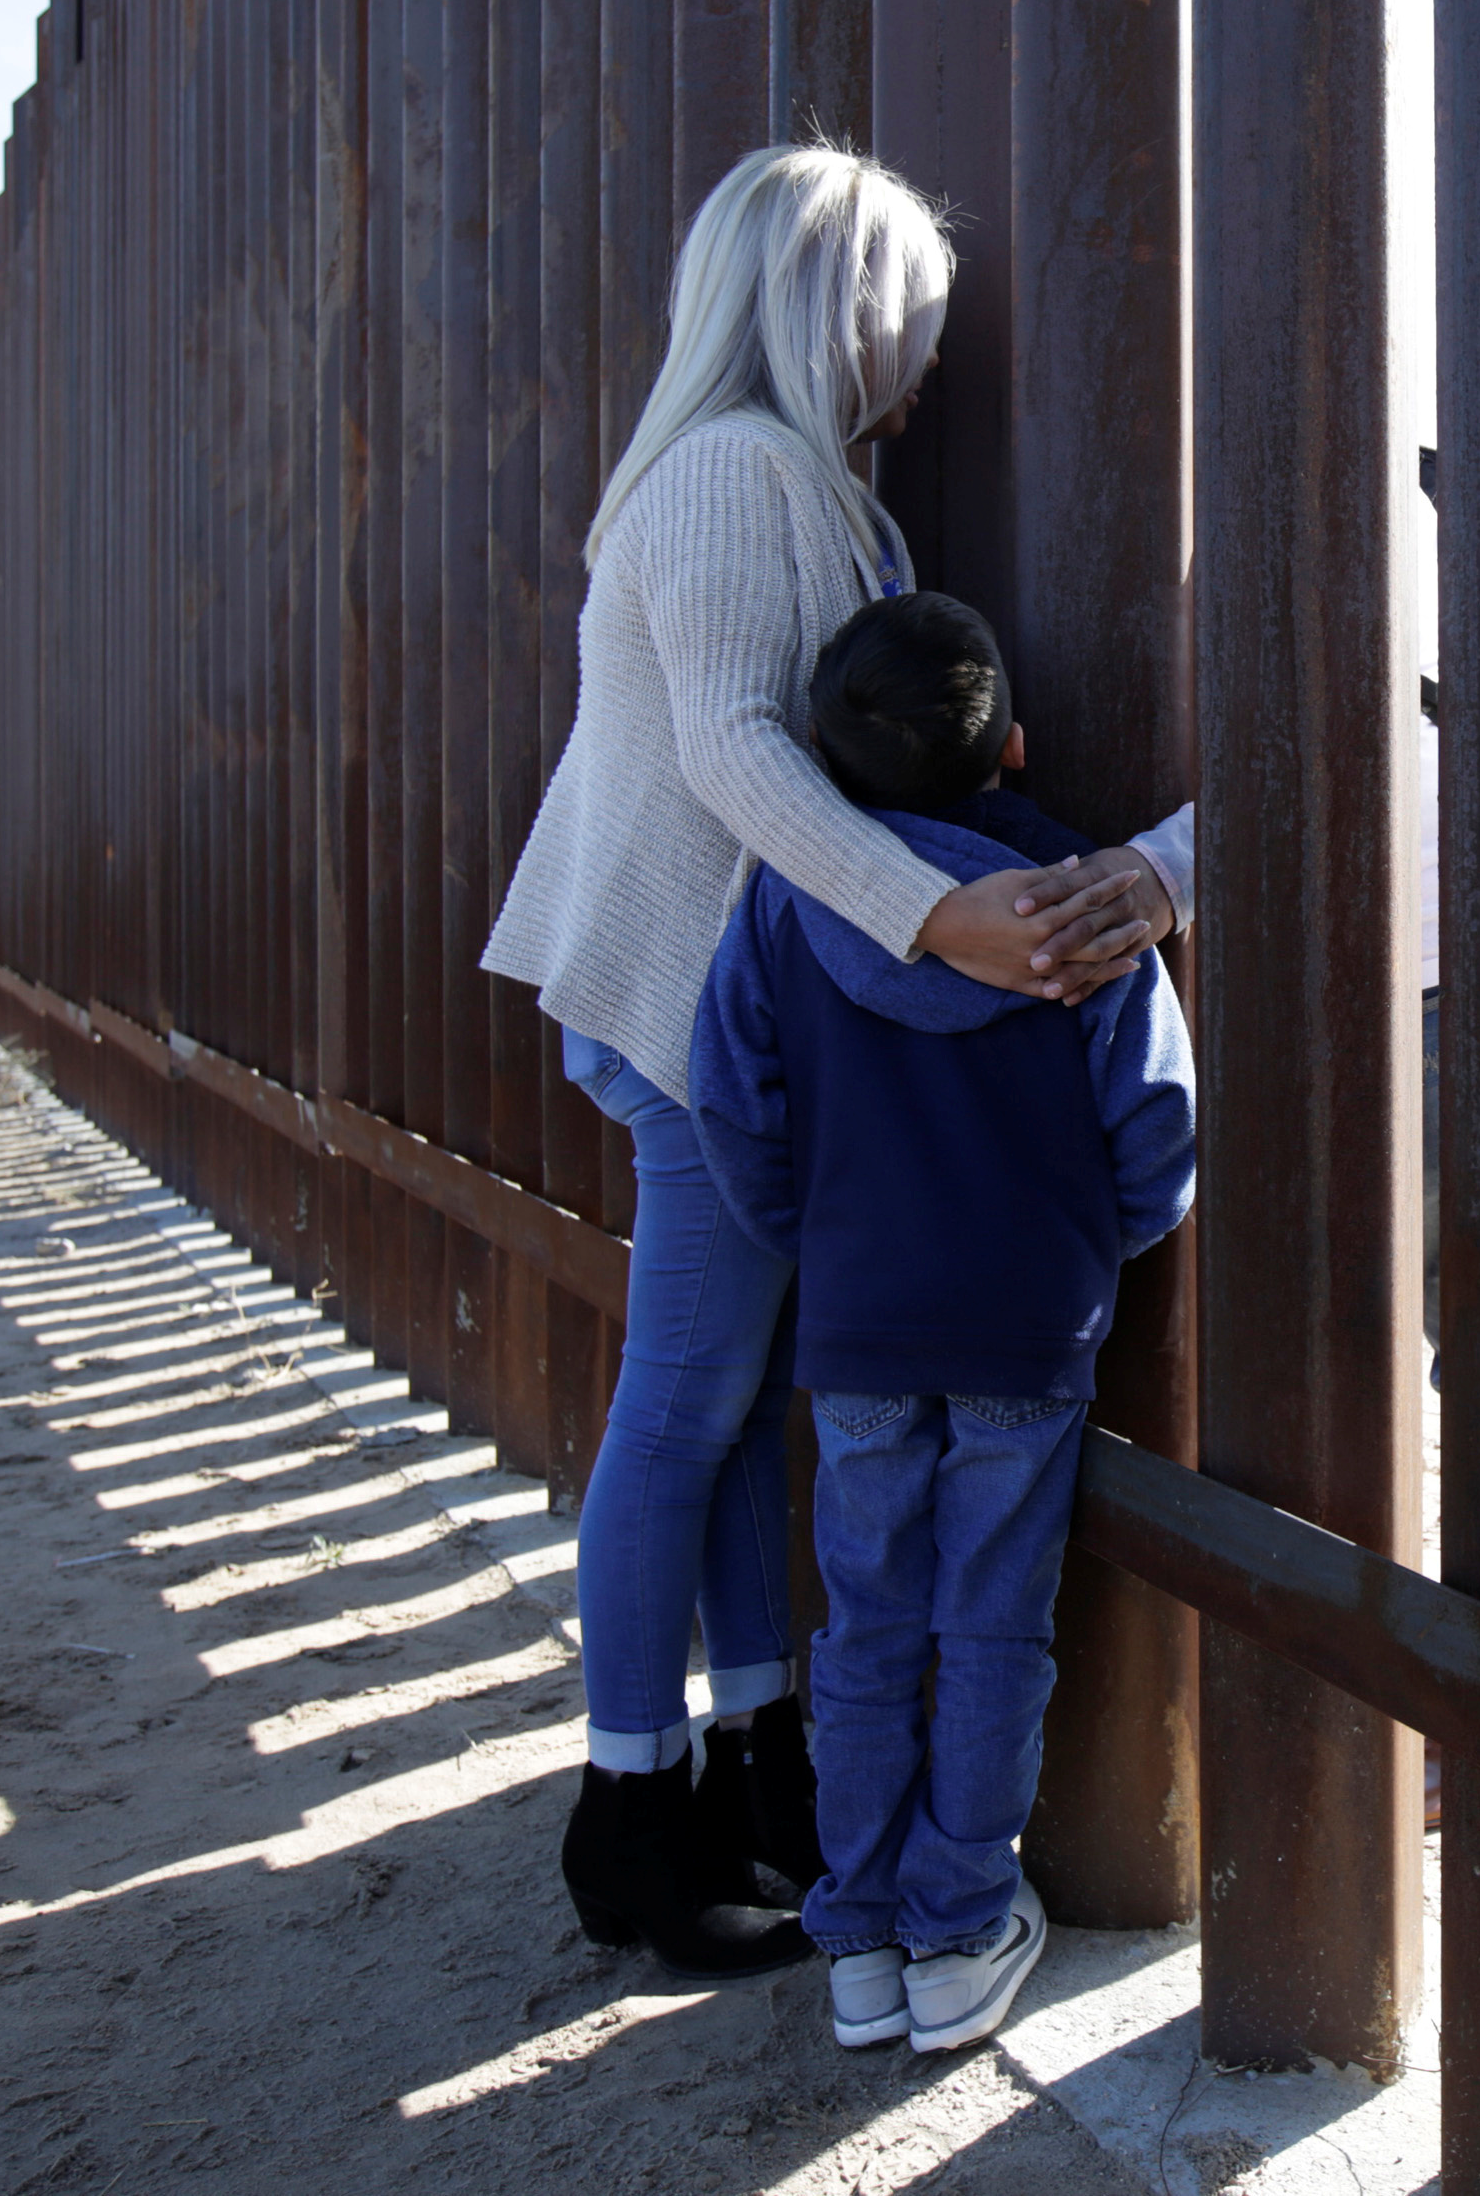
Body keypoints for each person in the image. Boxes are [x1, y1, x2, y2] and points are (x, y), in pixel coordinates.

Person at [480, 145, 1188, 1977]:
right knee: (683, 1410)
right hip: (681, 998)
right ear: (835, 304)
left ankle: (750, 1759)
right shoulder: (732, 478)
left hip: (739, 1006)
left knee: (726, 1415)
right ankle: (629, 1815)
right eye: (914, 320)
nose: (931, 362)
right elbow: (730, 746)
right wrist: (933, 917)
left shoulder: (808, 485)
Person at [688, 592, 1197, 2053]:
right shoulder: (1082, 904)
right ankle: (962, 1924)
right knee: (990, 1627)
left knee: (863, 1626)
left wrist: (820, 1240)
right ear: (1014, 750)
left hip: (857, 1319)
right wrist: (1095, 1244)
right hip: (1027, 1328)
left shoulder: (791, 898)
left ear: (826, 776)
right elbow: (1155, 1125)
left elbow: (736, 1102)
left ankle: (858, 1941)